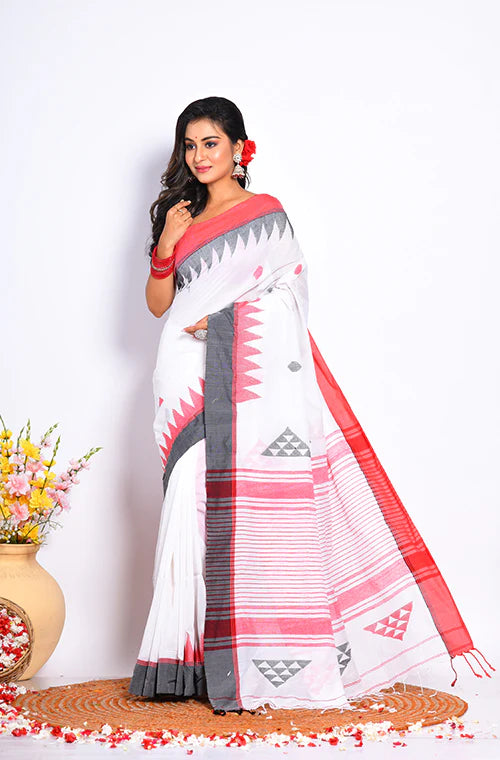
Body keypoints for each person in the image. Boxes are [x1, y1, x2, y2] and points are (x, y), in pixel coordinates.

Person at [128, 96, 492, 713]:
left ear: (240, 148)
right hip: (183, 375)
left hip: (242, 371)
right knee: (188, 501)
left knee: (232, 504)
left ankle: (236, 656)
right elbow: (159, 305)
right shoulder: (181, 216)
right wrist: (167, 241)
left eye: (211, 143)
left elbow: (290, 298)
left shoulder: (266, 214)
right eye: (190, 146)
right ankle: (179, 661)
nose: (199, 156)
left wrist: (226, 327)